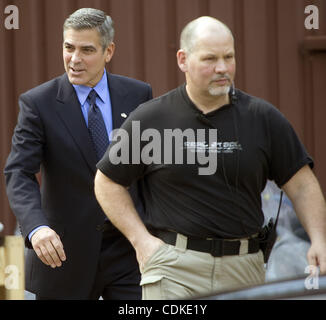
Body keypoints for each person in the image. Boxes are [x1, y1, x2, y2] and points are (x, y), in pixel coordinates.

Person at [94, 16, 326, 300]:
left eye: (229, 57)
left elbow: (302, 184)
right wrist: (140, 240)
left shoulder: (263, 118)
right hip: (173, 269)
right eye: (210, 59)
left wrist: (319, 240)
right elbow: (107, 182)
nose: (222, 68)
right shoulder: (151, 119)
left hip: (245, 269)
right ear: (183, 59)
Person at [4, 8, 152, 300]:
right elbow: (19, 173)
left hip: (126, 253)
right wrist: (36, 228)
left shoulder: (138, 95)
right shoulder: (38, 104)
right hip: (61, 253)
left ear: (108, 51)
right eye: (68, 48)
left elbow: (150, 168)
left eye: (87, 50)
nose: (74, 59)